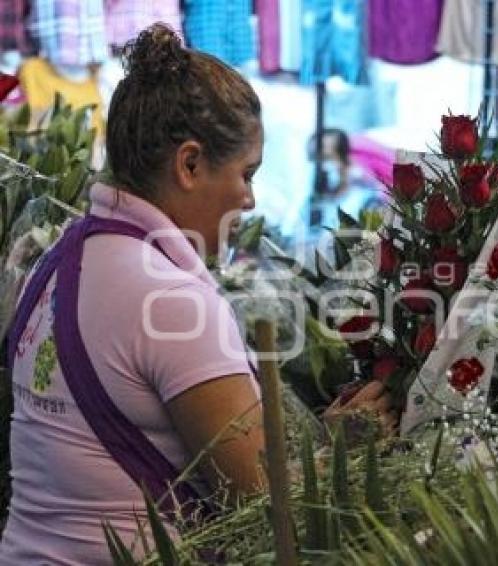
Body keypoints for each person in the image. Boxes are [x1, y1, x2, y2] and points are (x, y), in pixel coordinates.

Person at [0, 24, 393, 564]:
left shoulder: (56, 257)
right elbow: (266, 501)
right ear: (189, 165)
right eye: (246, 174)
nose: (250, 200)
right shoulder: (172, 301)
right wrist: (347, 449)